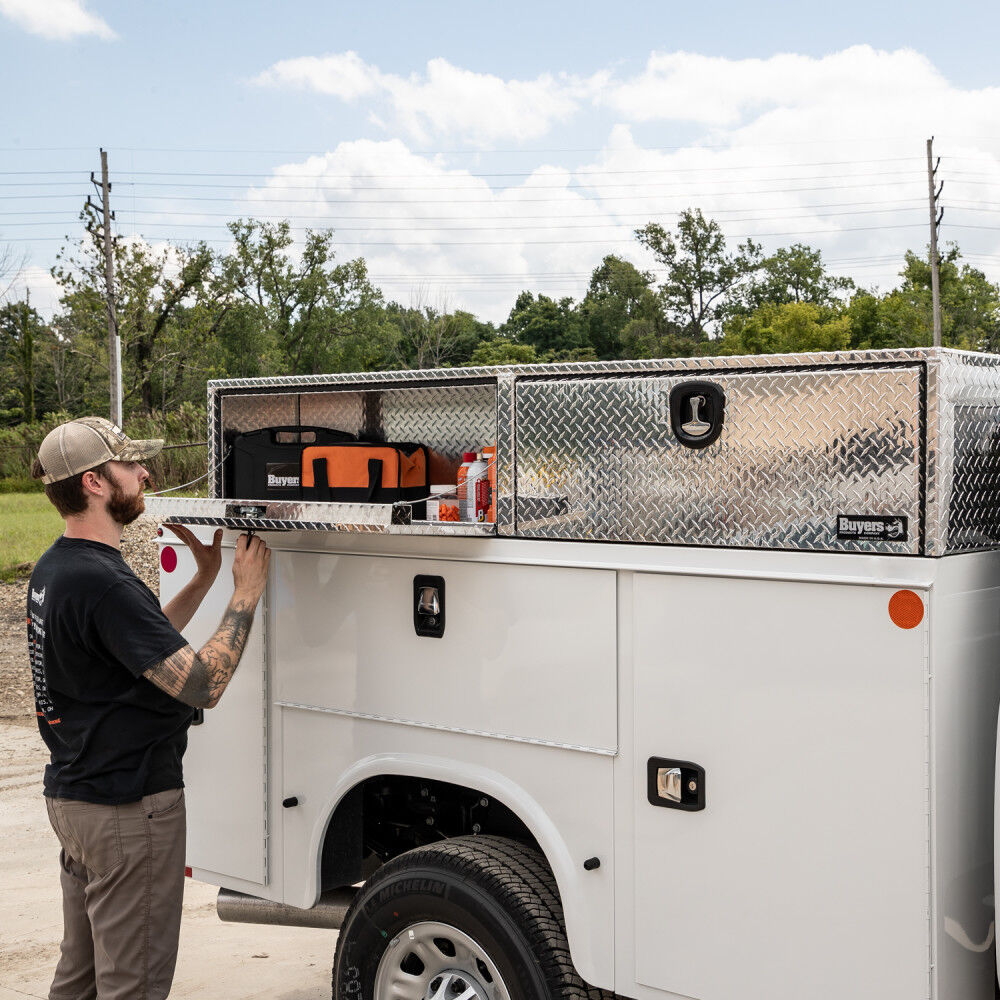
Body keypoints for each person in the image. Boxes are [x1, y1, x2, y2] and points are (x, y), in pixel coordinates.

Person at [26, 416, 270, 1000]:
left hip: (75, 799)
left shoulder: (59, 568)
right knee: (132, 984)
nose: (145, 473)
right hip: (126, 810)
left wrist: (206, 579)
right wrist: (245, 593)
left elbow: (142, 646)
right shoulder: (101, 581)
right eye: (130, 465)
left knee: (79, 979)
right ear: (94, 483)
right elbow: (202, 684)